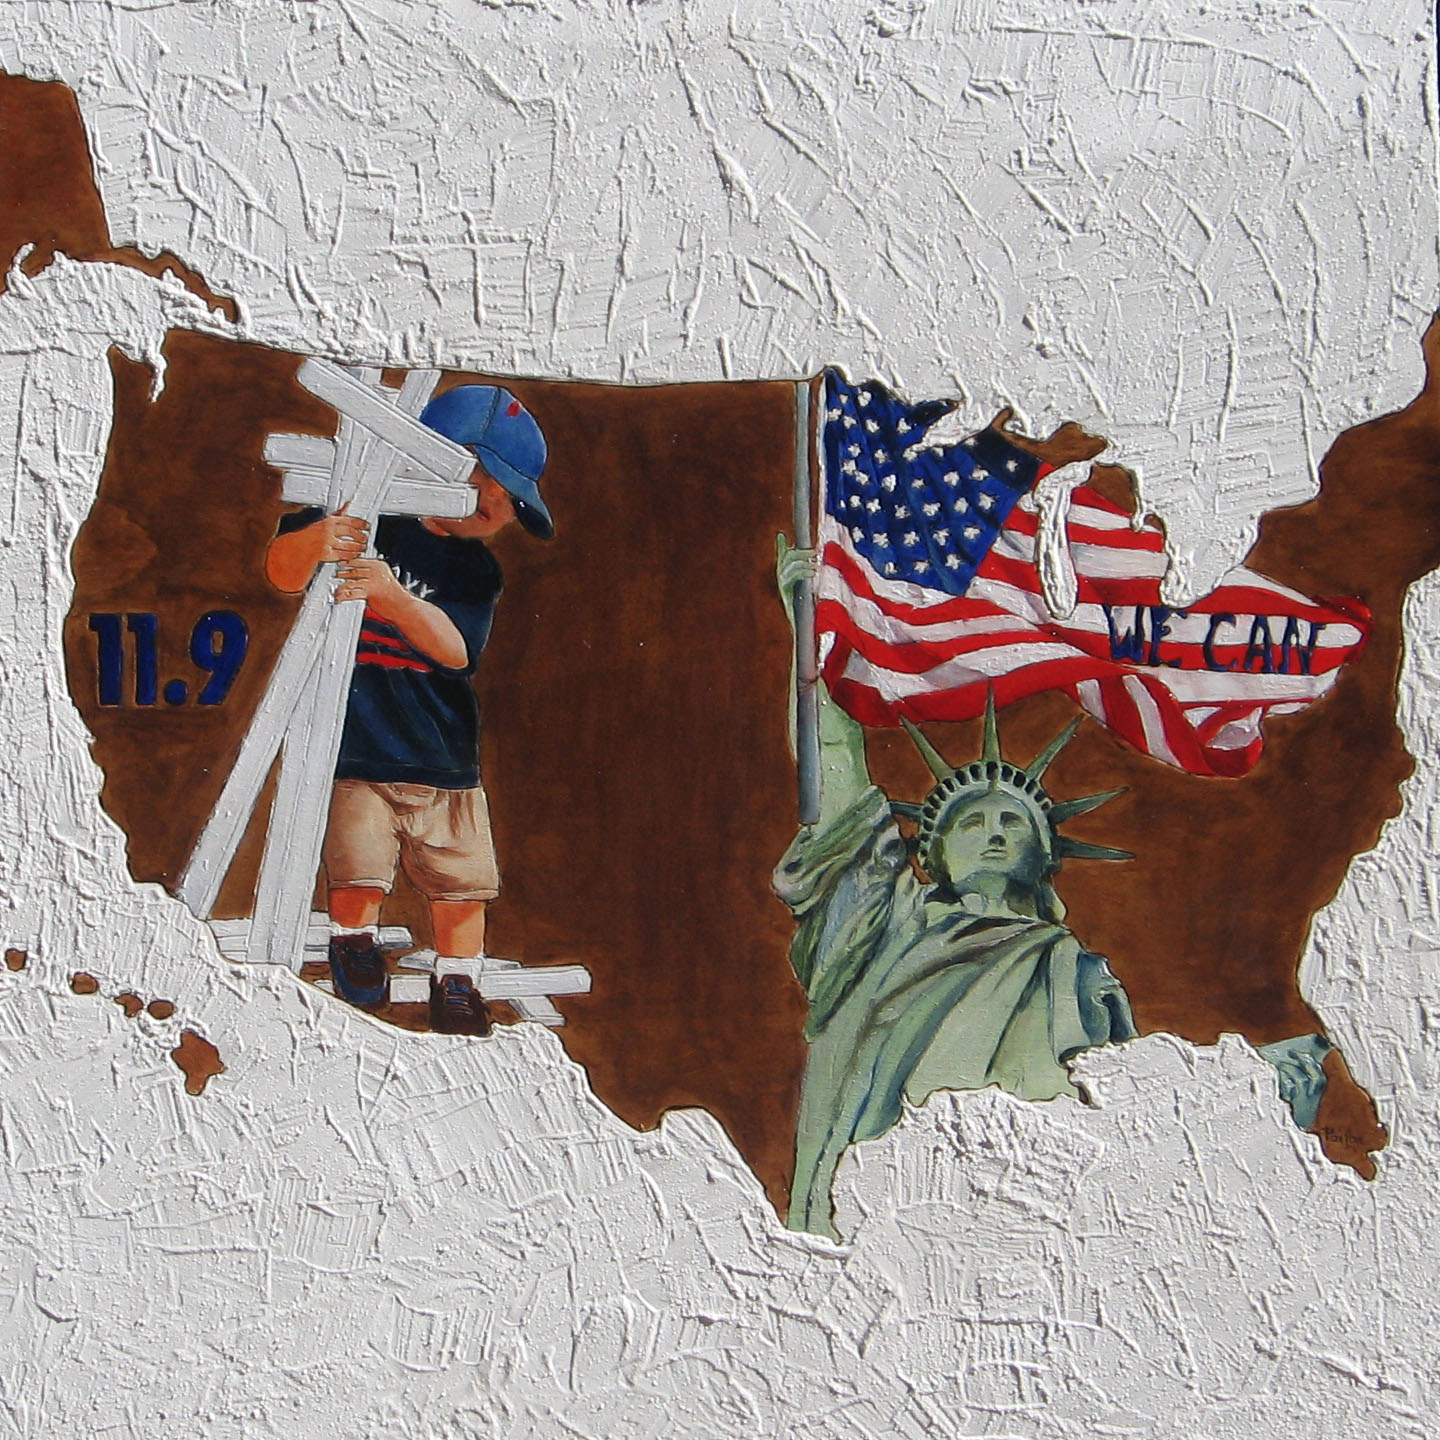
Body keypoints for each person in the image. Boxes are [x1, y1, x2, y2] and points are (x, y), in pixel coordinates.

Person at [774, 414, 1138, 1239]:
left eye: (1014, 822)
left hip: (1018, 1199)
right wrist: (812, 631)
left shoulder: (1069, 970)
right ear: (931, 854)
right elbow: (840, 787)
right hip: (879, 1178)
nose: (997, 831)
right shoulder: (884, 927)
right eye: (974, 822)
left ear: (1045, 858)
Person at [265, 384, 552, 1035]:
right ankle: (354, 942)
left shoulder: (474, 570)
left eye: (510, 500)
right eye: (485, 482)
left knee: (461, 880)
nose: (496, 505)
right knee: (356, 862)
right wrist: (317, 540)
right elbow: (281, 572)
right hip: (357, 743)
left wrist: (394, 599)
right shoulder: (364, 513)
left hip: (442, 755)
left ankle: (458, 978)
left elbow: (456, 650)